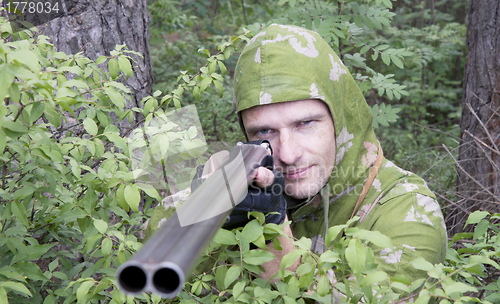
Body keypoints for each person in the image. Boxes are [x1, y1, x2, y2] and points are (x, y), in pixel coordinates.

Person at [148, 24, 447, 285]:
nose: (287, 154)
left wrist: (270, 232)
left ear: (339, 119)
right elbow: (150, 275)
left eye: (305, 123)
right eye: (265, 132)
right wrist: (205, 212)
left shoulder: (407, 209)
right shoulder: (251, 180)